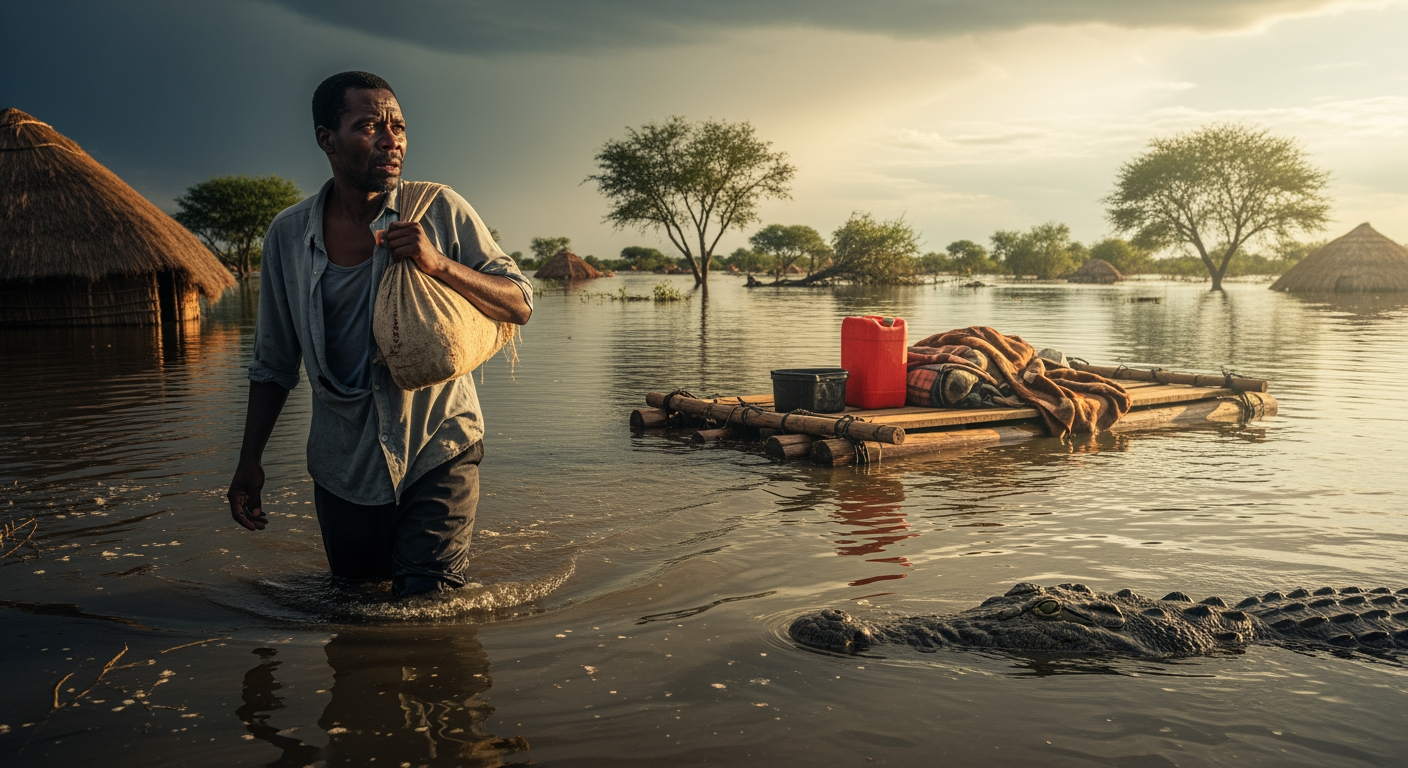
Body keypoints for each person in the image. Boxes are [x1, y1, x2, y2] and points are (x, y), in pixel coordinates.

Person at [226, 71, 532, 596]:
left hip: (438, 442)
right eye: (369, 126)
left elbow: (521, 301)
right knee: (356, 605)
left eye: (399, 127)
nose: (392, 141)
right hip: (342, 461)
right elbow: (274, 363)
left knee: (429, 603)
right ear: (327, 139)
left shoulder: (438, 209)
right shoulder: (288, 237)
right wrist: (248, 460)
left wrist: (439, 264)